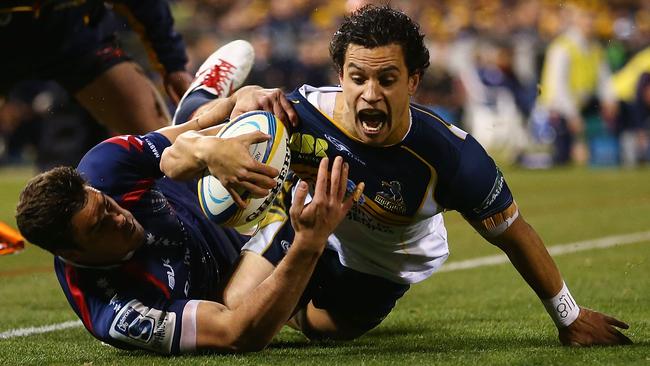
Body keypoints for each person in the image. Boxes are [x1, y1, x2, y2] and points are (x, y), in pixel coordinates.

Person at [162, 5, 632, 347]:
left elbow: (514, 234)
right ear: (340, 75)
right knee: (240, 311)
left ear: (413, 81)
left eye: (387, 80)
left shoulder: (448, 156)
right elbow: (168, 157)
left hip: (380, 265)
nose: (369, 94)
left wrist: (568, 317)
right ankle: (204, 105)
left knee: (322, 331)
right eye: (357, 78)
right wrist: (211, 141)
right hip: (306, 222)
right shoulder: (295, 113)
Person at [15, 40, 364, 354]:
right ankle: (282, 206)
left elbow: (191, 134)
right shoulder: (118, 311)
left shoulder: (104, 168)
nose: (118, 217)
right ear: (72, 254)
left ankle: (207, 91)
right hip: (230, 272)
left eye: (107, 205)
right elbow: (236, 333)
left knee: (199, 129)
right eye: (98, 227)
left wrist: (241, 104)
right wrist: (307, 243)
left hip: (197, 189)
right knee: (337, 323)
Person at [0, 0, 193, 134]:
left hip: (75, 36)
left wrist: (173, 66)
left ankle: (181, 190)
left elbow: (145, 5)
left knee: (158, 135)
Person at [535, 1, 617, 165]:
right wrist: (573, 116)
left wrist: (610, 100)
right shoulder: (562, 48)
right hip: (555, 112)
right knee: (560, 159)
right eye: (586, 17)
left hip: (579, 109)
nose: (590, 22)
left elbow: (604, 80)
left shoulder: (594, 48)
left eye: (592, 18)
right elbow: (558, 89)